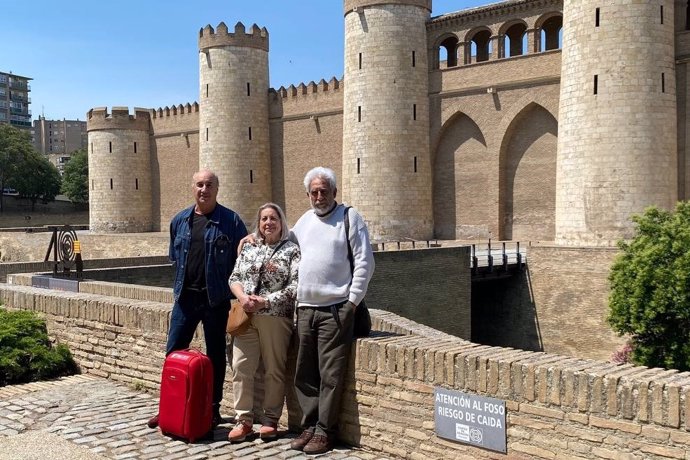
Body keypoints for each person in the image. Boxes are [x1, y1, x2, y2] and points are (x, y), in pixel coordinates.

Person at [147, 169, 248, 429]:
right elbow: (175, 258)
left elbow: (243, 263)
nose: (204, 189)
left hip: (216, 301)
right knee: (173, 353)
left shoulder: (231, 221)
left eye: (209, 185)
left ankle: (212, 409)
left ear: (217, 188)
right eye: (200, 185)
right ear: (193, 188)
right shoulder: (179, 221)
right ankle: (169, 406)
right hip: (185, 299)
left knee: (215, 357)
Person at [290, 167, 374, 454]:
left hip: (336, 309)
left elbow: (364, 262)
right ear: (308, 195)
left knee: (331, 374)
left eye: (324, 190)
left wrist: (351, 302)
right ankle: (309, 426)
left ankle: (326, 432)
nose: (319, 196)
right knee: (305, 373)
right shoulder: (303, 222)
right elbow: (282, 244)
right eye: (314, 192)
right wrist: (251, 238)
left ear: (334, 192)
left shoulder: (349, 218)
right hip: (306, 309)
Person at [226, 203, 300, 442]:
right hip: (246, 317)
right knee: (241, 367)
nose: (268, 223)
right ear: (258, 224)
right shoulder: (249, 248)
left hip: (275, 318)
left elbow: (295, 287)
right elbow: (234, 277)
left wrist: (265, 301)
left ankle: (270, 420)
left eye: (273, 218)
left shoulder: (291, 251)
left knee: (274, 370)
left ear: (281, 222)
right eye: (264, 219)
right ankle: (243, 420)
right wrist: (242, 297)